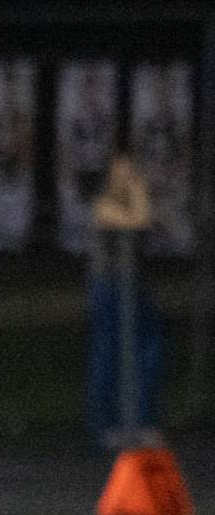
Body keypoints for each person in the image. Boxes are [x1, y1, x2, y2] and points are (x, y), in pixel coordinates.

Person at [87, 155, 165, 448]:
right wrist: (140, 192)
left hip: (137, 287)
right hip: (110, 287)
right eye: (121, 175)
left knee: (149, 352)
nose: (128, 180)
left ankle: (141, 420)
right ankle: (104, 426)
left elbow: (157, 222)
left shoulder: (135, 201)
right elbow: (140, 221)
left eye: (132, 174)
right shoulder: (103, 205)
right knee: (109, 354)